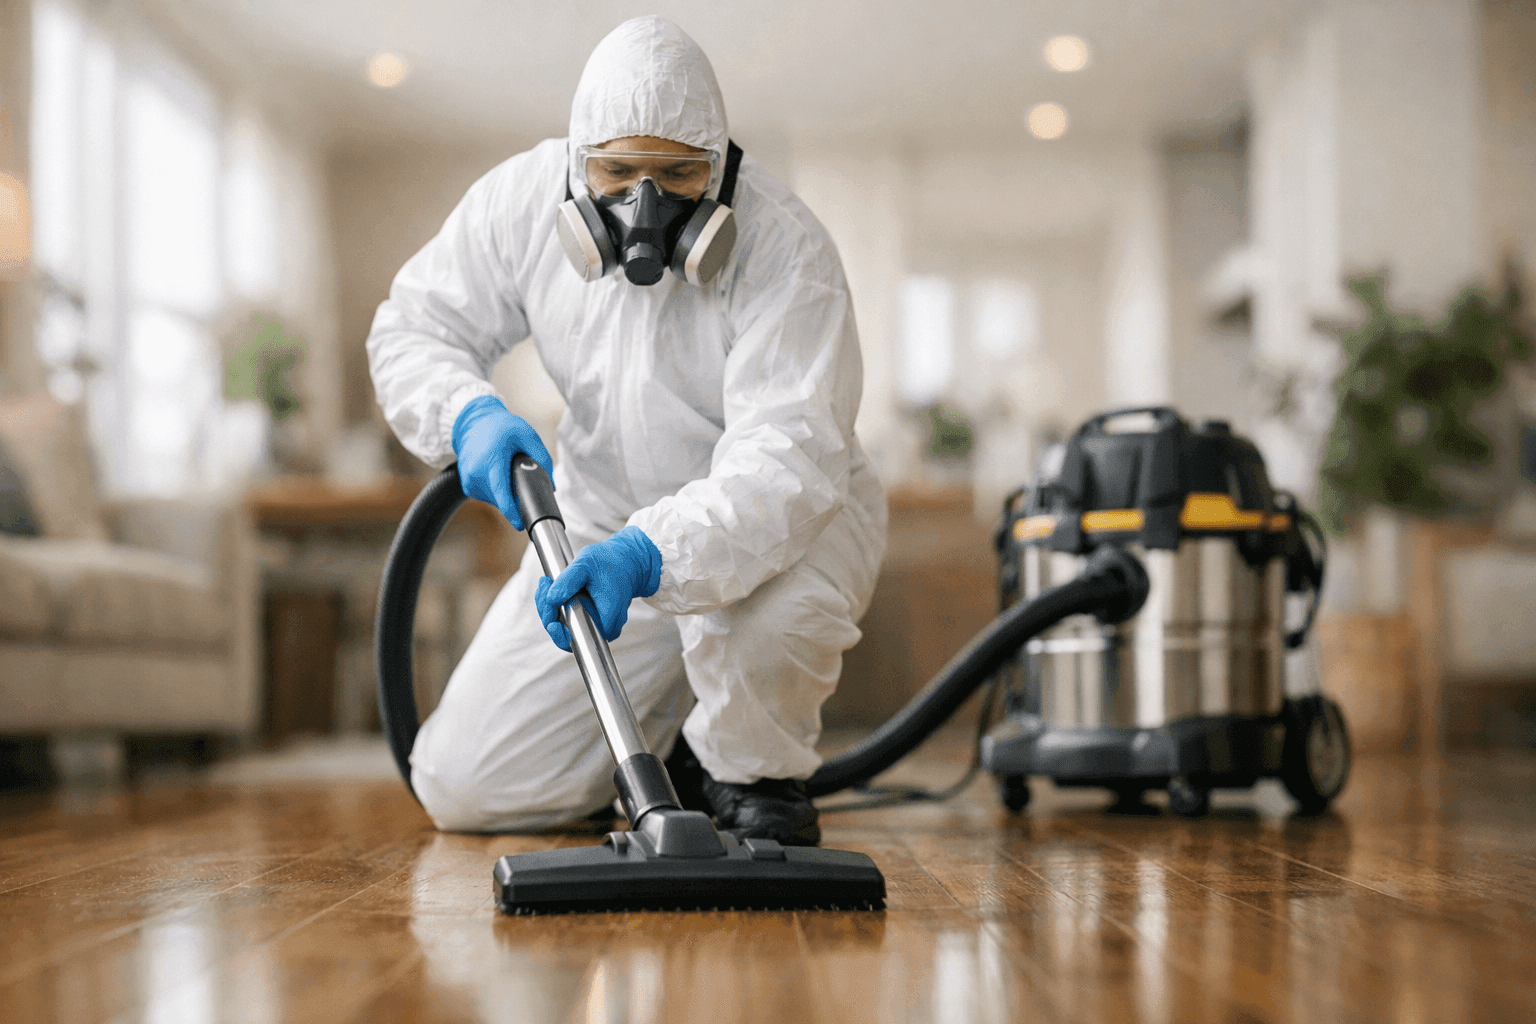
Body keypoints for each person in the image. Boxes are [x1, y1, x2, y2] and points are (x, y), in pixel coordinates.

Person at [366, 15, 886, 846]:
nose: (645, 207)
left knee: (762, 642)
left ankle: (741, 769)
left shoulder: (787, 250)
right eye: (615, 172)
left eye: (680, 175)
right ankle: (665, 736)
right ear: (578, 163)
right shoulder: (519, 204)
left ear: (721, 165)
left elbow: (787, 459)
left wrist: (655, 555)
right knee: (464, 787)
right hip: (601, 527)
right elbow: (412, 328)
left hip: (788, 532)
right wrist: (465, 412)